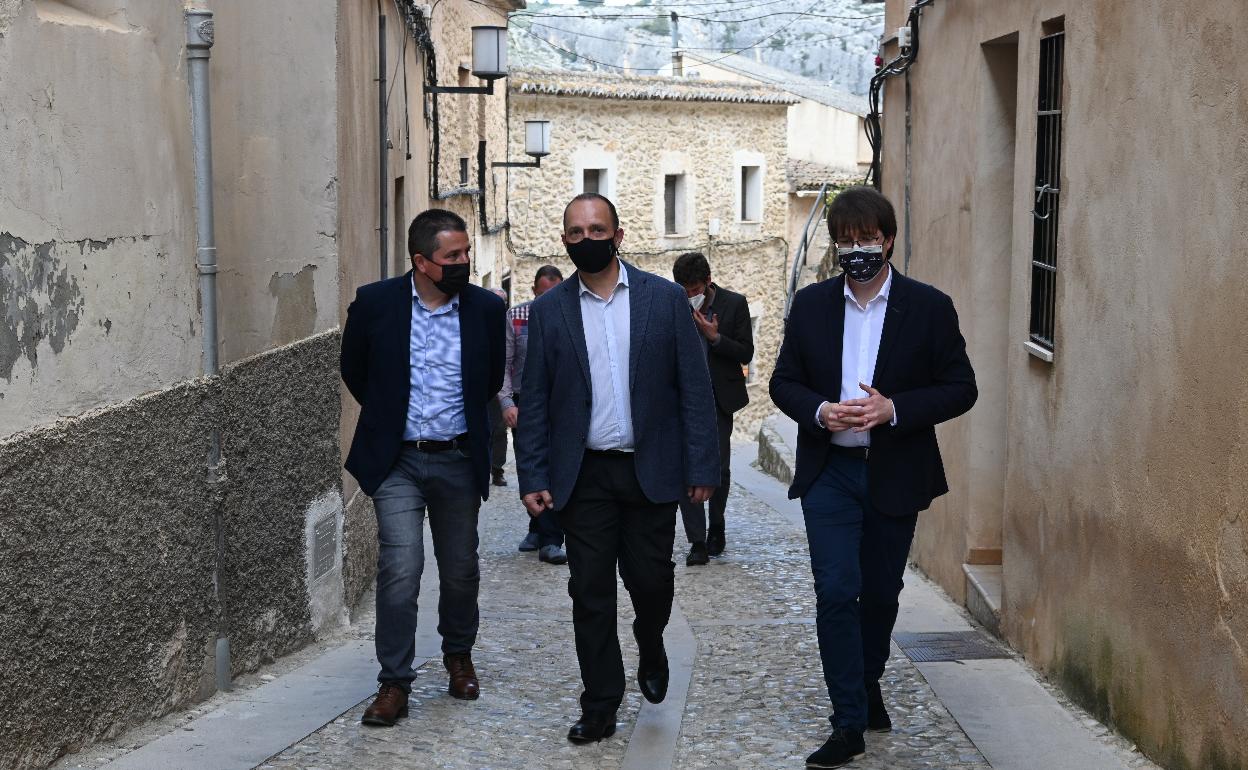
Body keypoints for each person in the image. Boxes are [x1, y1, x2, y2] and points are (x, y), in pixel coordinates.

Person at [769, 186, 976, 768]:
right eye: (846, 240)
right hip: (829, 472)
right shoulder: (811, 307)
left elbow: (962, 387)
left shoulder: (929, 307)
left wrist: (895, 409)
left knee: (880, 593)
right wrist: (819, 411)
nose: (856, 249)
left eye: (867, 239)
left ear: (887, 240)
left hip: (894, 471)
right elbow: (782, 382)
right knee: (836, 590)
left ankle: (867, 679)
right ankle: (848, 722)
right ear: (836, 244)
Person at [514, 193, 720, 744]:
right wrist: (532, 475)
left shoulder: (664, 299)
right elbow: (534, 399)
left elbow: (694, 389)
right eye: (576, 233)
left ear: (619, 234)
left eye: (596, 229)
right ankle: (600, 703)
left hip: (650, 471)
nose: (587, 240)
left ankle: (650, 641)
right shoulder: (550, 308)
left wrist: (702, 464)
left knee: (652, 582)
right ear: (564, 241)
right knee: (590, 592)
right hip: (584, 477)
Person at [340, 208, 505, 728]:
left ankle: (458, 654)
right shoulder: (376, 303)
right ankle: (394, 682)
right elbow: (355, 369)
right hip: (398, 461)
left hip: (458, 457)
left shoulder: (484, 308)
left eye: (466, 254)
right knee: (400, 569)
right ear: (421, 261)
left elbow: (489, 378)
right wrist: (392, 419)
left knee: (460, 569)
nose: (463, 263)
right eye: (452, 256)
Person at [671, 252, 753, 565]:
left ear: (708, 282)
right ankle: (697, 540)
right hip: (682, 400)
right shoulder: (673, 304)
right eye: (684, 289)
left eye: (695, 288)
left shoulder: (734, 304)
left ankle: (716, 524)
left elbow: (746, 351)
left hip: (719, 399)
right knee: (686, 468)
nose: (690, 295)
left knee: (718, 467)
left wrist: (715, 337)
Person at [499, 265, 567, 565]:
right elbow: (505, 362)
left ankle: (550, 537)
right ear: (534, 293)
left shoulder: (571, 316)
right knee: (531, 463)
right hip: (524, 401)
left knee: (555, 466)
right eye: (543, 295)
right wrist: (506, 403)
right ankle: (538, 526)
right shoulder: (515, 317)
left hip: (562, 402)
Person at [488, 287, 511, 488]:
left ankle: (497, 469)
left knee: (500, 430)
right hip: (481, 386)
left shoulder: (509, 325)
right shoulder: (477, 323)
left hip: (501, 387)